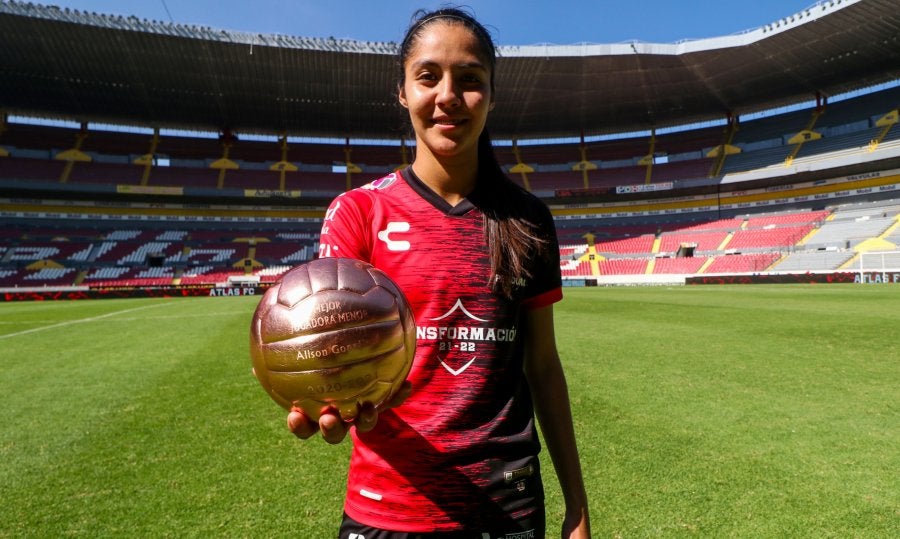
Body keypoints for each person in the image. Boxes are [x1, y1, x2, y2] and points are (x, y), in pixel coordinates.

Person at [288, 7, 591, 538]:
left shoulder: (527, 220)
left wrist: (577, 507)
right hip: (389, 508)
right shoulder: (359, 212)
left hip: (507, 508)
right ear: (403, 92)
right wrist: (324, 394)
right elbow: (334, 351)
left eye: (470, 80)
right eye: (428, 76)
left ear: (492, 97)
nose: (448, 95)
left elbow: (543, 367)